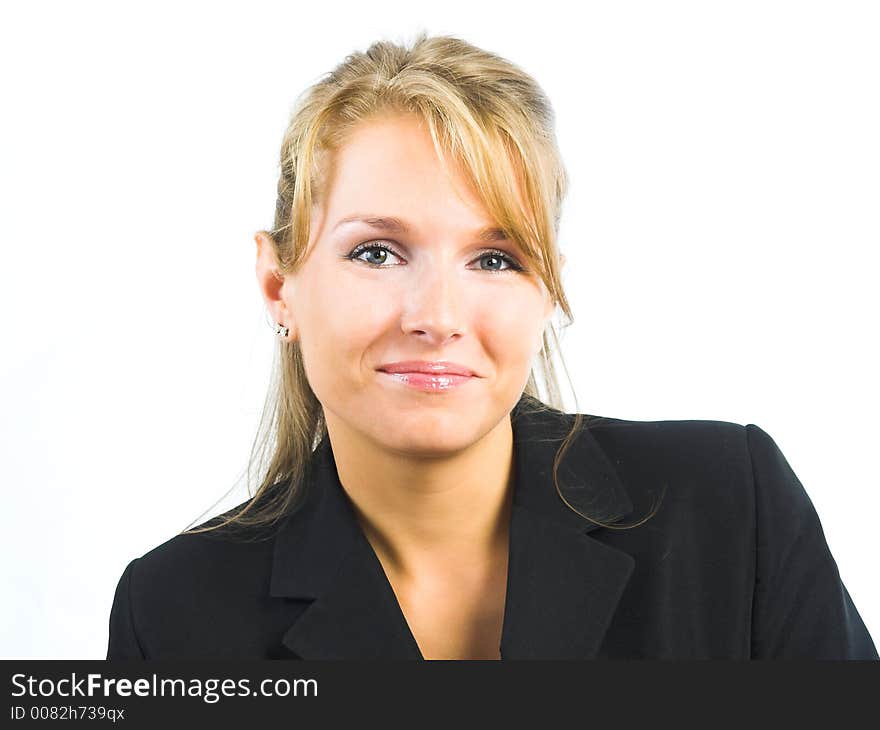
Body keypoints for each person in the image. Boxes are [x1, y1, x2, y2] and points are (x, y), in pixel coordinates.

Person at [106, 32, 877, 660]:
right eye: (377, 252)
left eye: (495, 259)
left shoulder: (731, 508)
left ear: (546, 291)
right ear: (280, 285)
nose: (437, 315)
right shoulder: (172, 612)